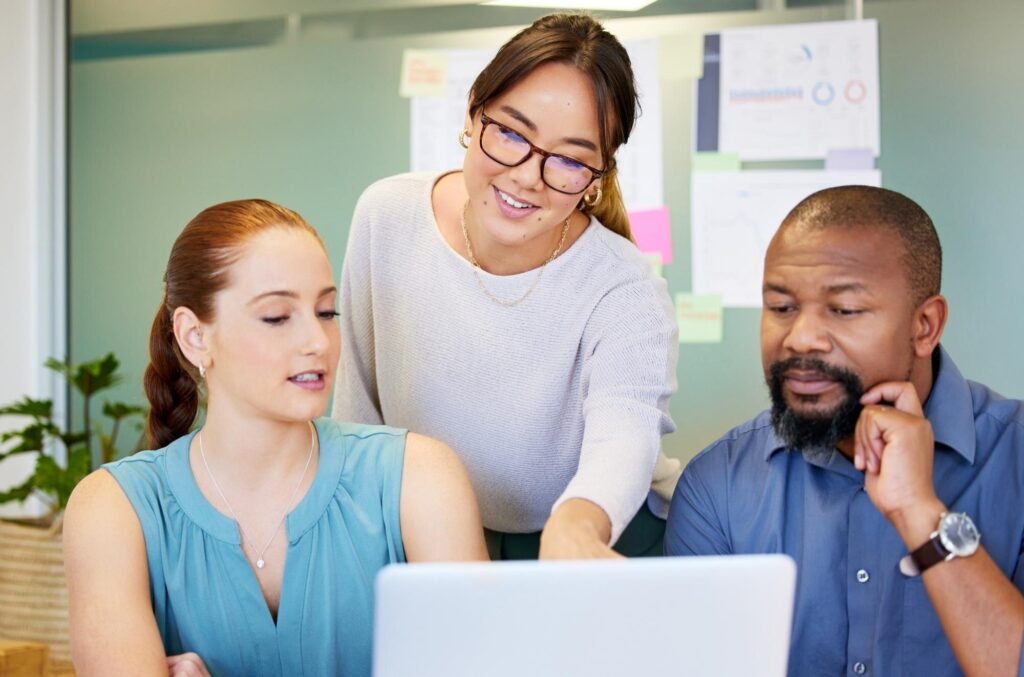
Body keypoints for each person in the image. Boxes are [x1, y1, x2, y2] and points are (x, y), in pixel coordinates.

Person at [63, 199, 488, 677]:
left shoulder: (420, 478)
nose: (317, 342)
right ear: (194, 336)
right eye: (277, 317)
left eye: (327, 312)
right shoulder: (111, 509)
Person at [333, 13, 679, 560]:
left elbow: (626, 434)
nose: (525, 176)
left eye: (568, 159)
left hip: (591, 535)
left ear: (598, 175)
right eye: (512, 133)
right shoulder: (388, 216)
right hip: (423, 532)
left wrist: (577, 526)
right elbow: (357, 406)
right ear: (474, 111)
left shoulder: (624, 286)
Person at [666, 185, 1024, 676]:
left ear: (925, 326)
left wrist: (920, 513)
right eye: (781, 307)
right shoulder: (718, 487)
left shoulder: (1016, 457)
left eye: (844, 309)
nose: (801, 338)